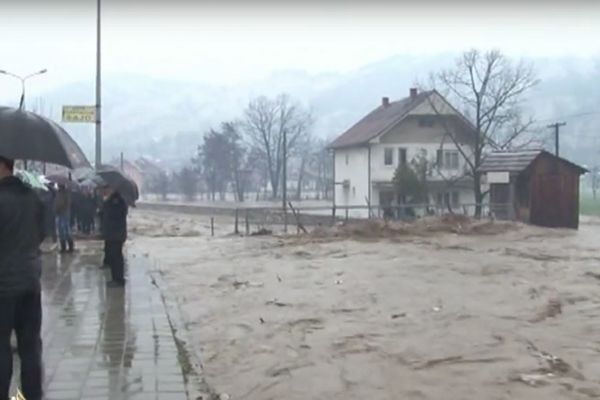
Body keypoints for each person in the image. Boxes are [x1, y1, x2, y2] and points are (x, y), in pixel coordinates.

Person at [0, 155, 45, 400]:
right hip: (30, 282)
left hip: (3, 286)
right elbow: (41, 233)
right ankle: (30, 396)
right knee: (30, 348)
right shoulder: (32, 197)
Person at [102, 186, 128, 287]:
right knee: (114, 257)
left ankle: (119, 279)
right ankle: (115, 278)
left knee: (116, 257)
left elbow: (115, 215)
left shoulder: (117, 201)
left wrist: (106, 204)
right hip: (113, 234)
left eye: (109, 189)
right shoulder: (112, 200)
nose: (107, 190)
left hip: (116, 234)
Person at [54, 184, 74, 253]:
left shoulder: (66, 193)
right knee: (60, 230)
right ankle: (63, 247)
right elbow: (56, 203)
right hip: (59, 213)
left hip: (64, 212)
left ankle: (70, 246)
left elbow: (67, 203)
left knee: (65, 229)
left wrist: (61, 207)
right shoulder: (58, 193)